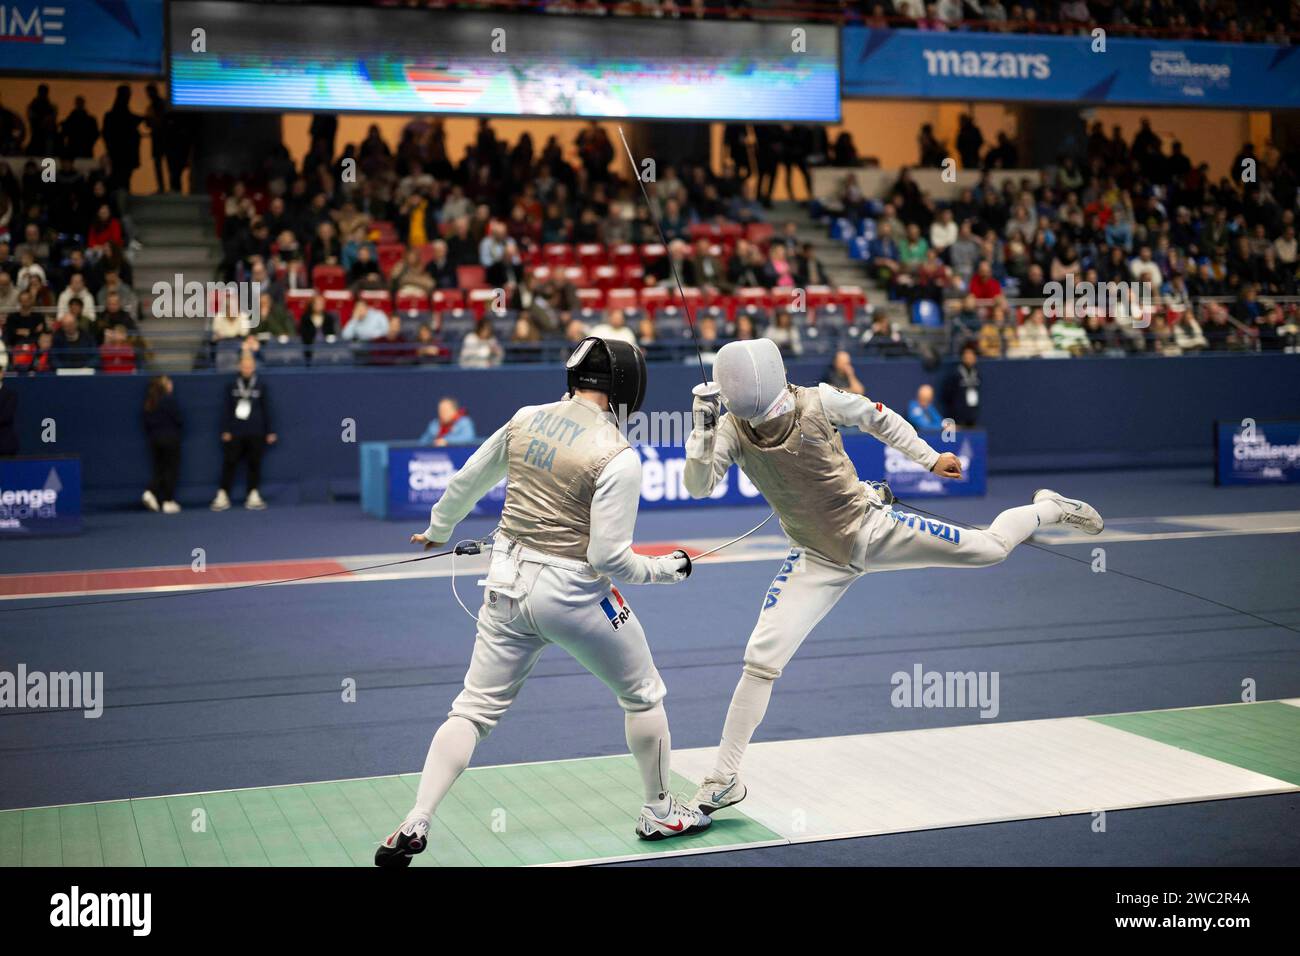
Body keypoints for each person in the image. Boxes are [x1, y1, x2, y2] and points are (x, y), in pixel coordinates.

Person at [682, 339, 1103, 816]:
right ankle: (723, 778)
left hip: (873, 528)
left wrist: (927, 458)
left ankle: (1048, 507)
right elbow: (698, 485)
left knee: (990, 548)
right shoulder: (732, 430)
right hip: (815, 557)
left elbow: (876, 416)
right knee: (761, 660)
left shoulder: (819, 400)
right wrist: (701, 429)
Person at [375, 337, 705, 867]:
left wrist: (439, 527)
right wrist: (667, 569)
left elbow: (469, 479)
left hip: (504, 584)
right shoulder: (618, 456)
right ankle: (659, 808)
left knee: (473, 710)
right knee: (643, 694)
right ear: (626, 387)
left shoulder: (526, 417)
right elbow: (611, 558)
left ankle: (418, 816)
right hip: (572, 595)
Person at [211, 351, 277, 512]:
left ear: (254, 367)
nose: (247, 369)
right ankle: (223, 494)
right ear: (239, 367)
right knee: (230, 463)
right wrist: (226, 429)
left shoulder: (261, 385)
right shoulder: (232, 386)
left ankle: (253, 494)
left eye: (250, 366)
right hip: (236, 431)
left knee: (254, 464)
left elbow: (266, 409)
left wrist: (269, 431)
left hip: (256, 431)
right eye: (244, 366)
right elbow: (226, 409)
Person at [142, 375, 183, 513]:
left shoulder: (150, 402)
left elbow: (147, 423)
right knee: (170, 470)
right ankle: (167, 501)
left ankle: (151, 492)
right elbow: (179, 419)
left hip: (155, 441)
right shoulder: (169, 400)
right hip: (171, 440)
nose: (171, 384)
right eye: (168, 382)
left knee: (159, 469)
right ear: (164, 386)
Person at [941, 345, 981, 427]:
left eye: (972, 355)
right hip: (958, 415)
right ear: (962, 357)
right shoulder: (955, 374)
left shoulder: (977, 373)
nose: (969, 358)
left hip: (972, 413)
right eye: (967, 355)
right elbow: (947, 395)